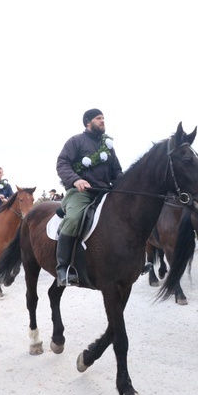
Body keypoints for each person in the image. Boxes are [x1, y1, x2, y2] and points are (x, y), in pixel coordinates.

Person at [55, 108, 123, 286]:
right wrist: (75, 180)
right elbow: (62, 163)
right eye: (98, 118)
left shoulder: (108, 147)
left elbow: (117, 172)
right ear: (88, 122)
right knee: (74, 218)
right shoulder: (76, 141)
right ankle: (63, 268)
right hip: (81, 193)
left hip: (104, 192)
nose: (102, 121)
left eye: (103, 118)